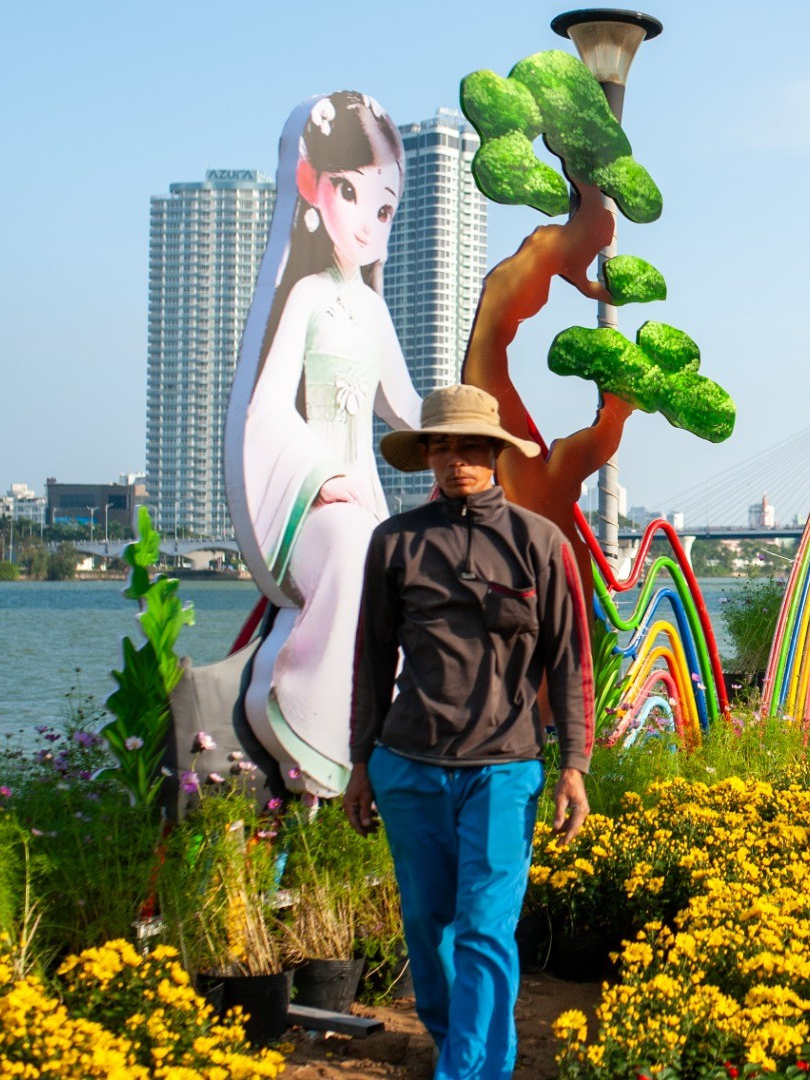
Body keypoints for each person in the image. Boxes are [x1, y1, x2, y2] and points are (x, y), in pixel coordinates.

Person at [345, 382, 593, 1080]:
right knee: (428, 928)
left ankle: (470, 1069)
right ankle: (465, 1050)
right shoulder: (395, 543)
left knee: (485, 929)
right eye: (442, 446)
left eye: (471, 447)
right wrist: (360, 763)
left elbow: (570, 661)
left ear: (494, 453)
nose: (457, 460)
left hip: (504, 768)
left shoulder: (539, 543)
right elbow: (371, 658)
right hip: (409, 764)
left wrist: (575, 765)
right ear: (427, 454)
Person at [230, 90, 423, 798]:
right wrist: (317, 478)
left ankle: (376, 741)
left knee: (396, 560)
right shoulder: (307, 294)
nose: (369, 223)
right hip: (312, 500)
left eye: (384, 209)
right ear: (313, 187)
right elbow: (266, 406)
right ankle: (309, 725)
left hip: (361, 493)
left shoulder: (372, 309)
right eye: (351, 194)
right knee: (353, 546)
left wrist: (473, 421)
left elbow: (406, 408)